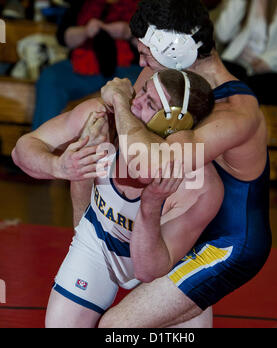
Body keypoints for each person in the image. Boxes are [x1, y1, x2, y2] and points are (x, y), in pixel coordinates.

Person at [13, 0, 272, 328]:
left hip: (222, 243)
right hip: (163, 228)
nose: (139, 63)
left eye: (146, 53)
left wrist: (119, 101)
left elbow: (149, 163)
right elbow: (118, 133)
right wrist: (64, 167)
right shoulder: (162, 71)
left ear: (175, 49)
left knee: (116, 328)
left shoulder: (235, 112)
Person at [13, 69, 222, 328]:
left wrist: (151, 204)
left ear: (174, 124)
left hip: (168, 268)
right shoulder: (103, 117)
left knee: (117, 329)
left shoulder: (199, 184)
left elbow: (148, 270)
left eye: (150, 104)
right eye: (143, 91)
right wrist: (58, 167)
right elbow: (22, 150)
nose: (135, 102)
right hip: (100, 242)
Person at [32, 0, 142, 130]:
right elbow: (62, 37)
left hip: (127, 69)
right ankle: (43, 141)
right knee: (50, 78)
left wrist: (129, 33)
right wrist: (85, 31)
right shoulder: (82, 3)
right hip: (83, 66)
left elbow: (154, 47)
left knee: (139, 87)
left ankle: (128, 145)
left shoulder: (143, 5)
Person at [215, 0, 277, 105]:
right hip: (241, 66)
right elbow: (222, 34)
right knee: (212, 76)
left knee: (241, 90)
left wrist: (269, 61)